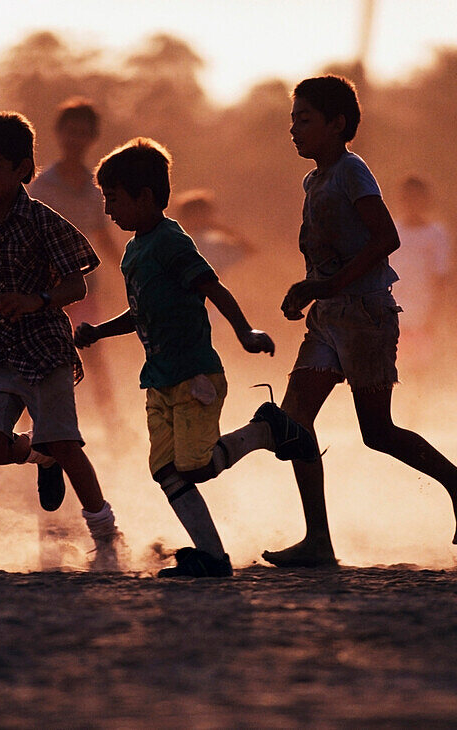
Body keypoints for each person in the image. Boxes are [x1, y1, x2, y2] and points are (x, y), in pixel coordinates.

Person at [261, 76, 457, 568]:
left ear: (337, 125)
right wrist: (313, 291)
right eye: (292, 120)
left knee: (376, 431)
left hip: (365, 316)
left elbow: (386, 238)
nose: (294, 130)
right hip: (328, 318)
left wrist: (325, 286)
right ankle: (317, 539)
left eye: (305, 120)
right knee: (296, 421)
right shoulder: (314, 179)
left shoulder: (350, 172)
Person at [75, 138, 319, 578]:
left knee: (196, 466)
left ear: (145, 197)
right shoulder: (133, 251)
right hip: (159, 379)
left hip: (194, 377)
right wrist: (100, 332)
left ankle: (267, 430)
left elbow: (213, 288)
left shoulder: (172, 242)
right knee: (167, 471)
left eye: (114, 198)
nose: (108, 210)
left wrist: (245, 331)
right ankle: (212, 556)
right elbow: (141, 311)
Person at [0, 111, 122, 571]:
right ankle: (38, 455)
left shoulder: (44, 223)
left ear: (22, 170)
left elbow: (76, 286)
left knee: (67, 445)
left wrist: (36, 300)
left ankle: (105, 534)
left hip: (44, 351)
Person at [28, 98, 126, 437]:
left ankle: (113, 425)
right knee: (40, 357)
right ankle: (33, 427)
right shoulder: (40, 186)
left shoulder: (96, 186)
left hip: (84, 286)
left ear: (92, 138)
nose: (76, 140)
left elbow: (103, 234)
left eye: (84, 134)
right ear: (58, 134)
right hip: (44, 288)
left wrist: (129, 270)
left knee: (93, 354)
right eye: (71, 132)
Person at [389, 175, 451, 378]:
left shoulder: (437, 234)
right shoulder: (390, 232)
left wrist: (434, 317)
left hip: (422, 318)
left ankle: (418, 410)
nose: (412, 203)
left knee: (419, 375)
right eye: (408, 198)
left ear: (425, 200)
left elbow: (441, 279)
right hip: (391, 317)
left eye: (417, 198)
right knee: (390, 374)